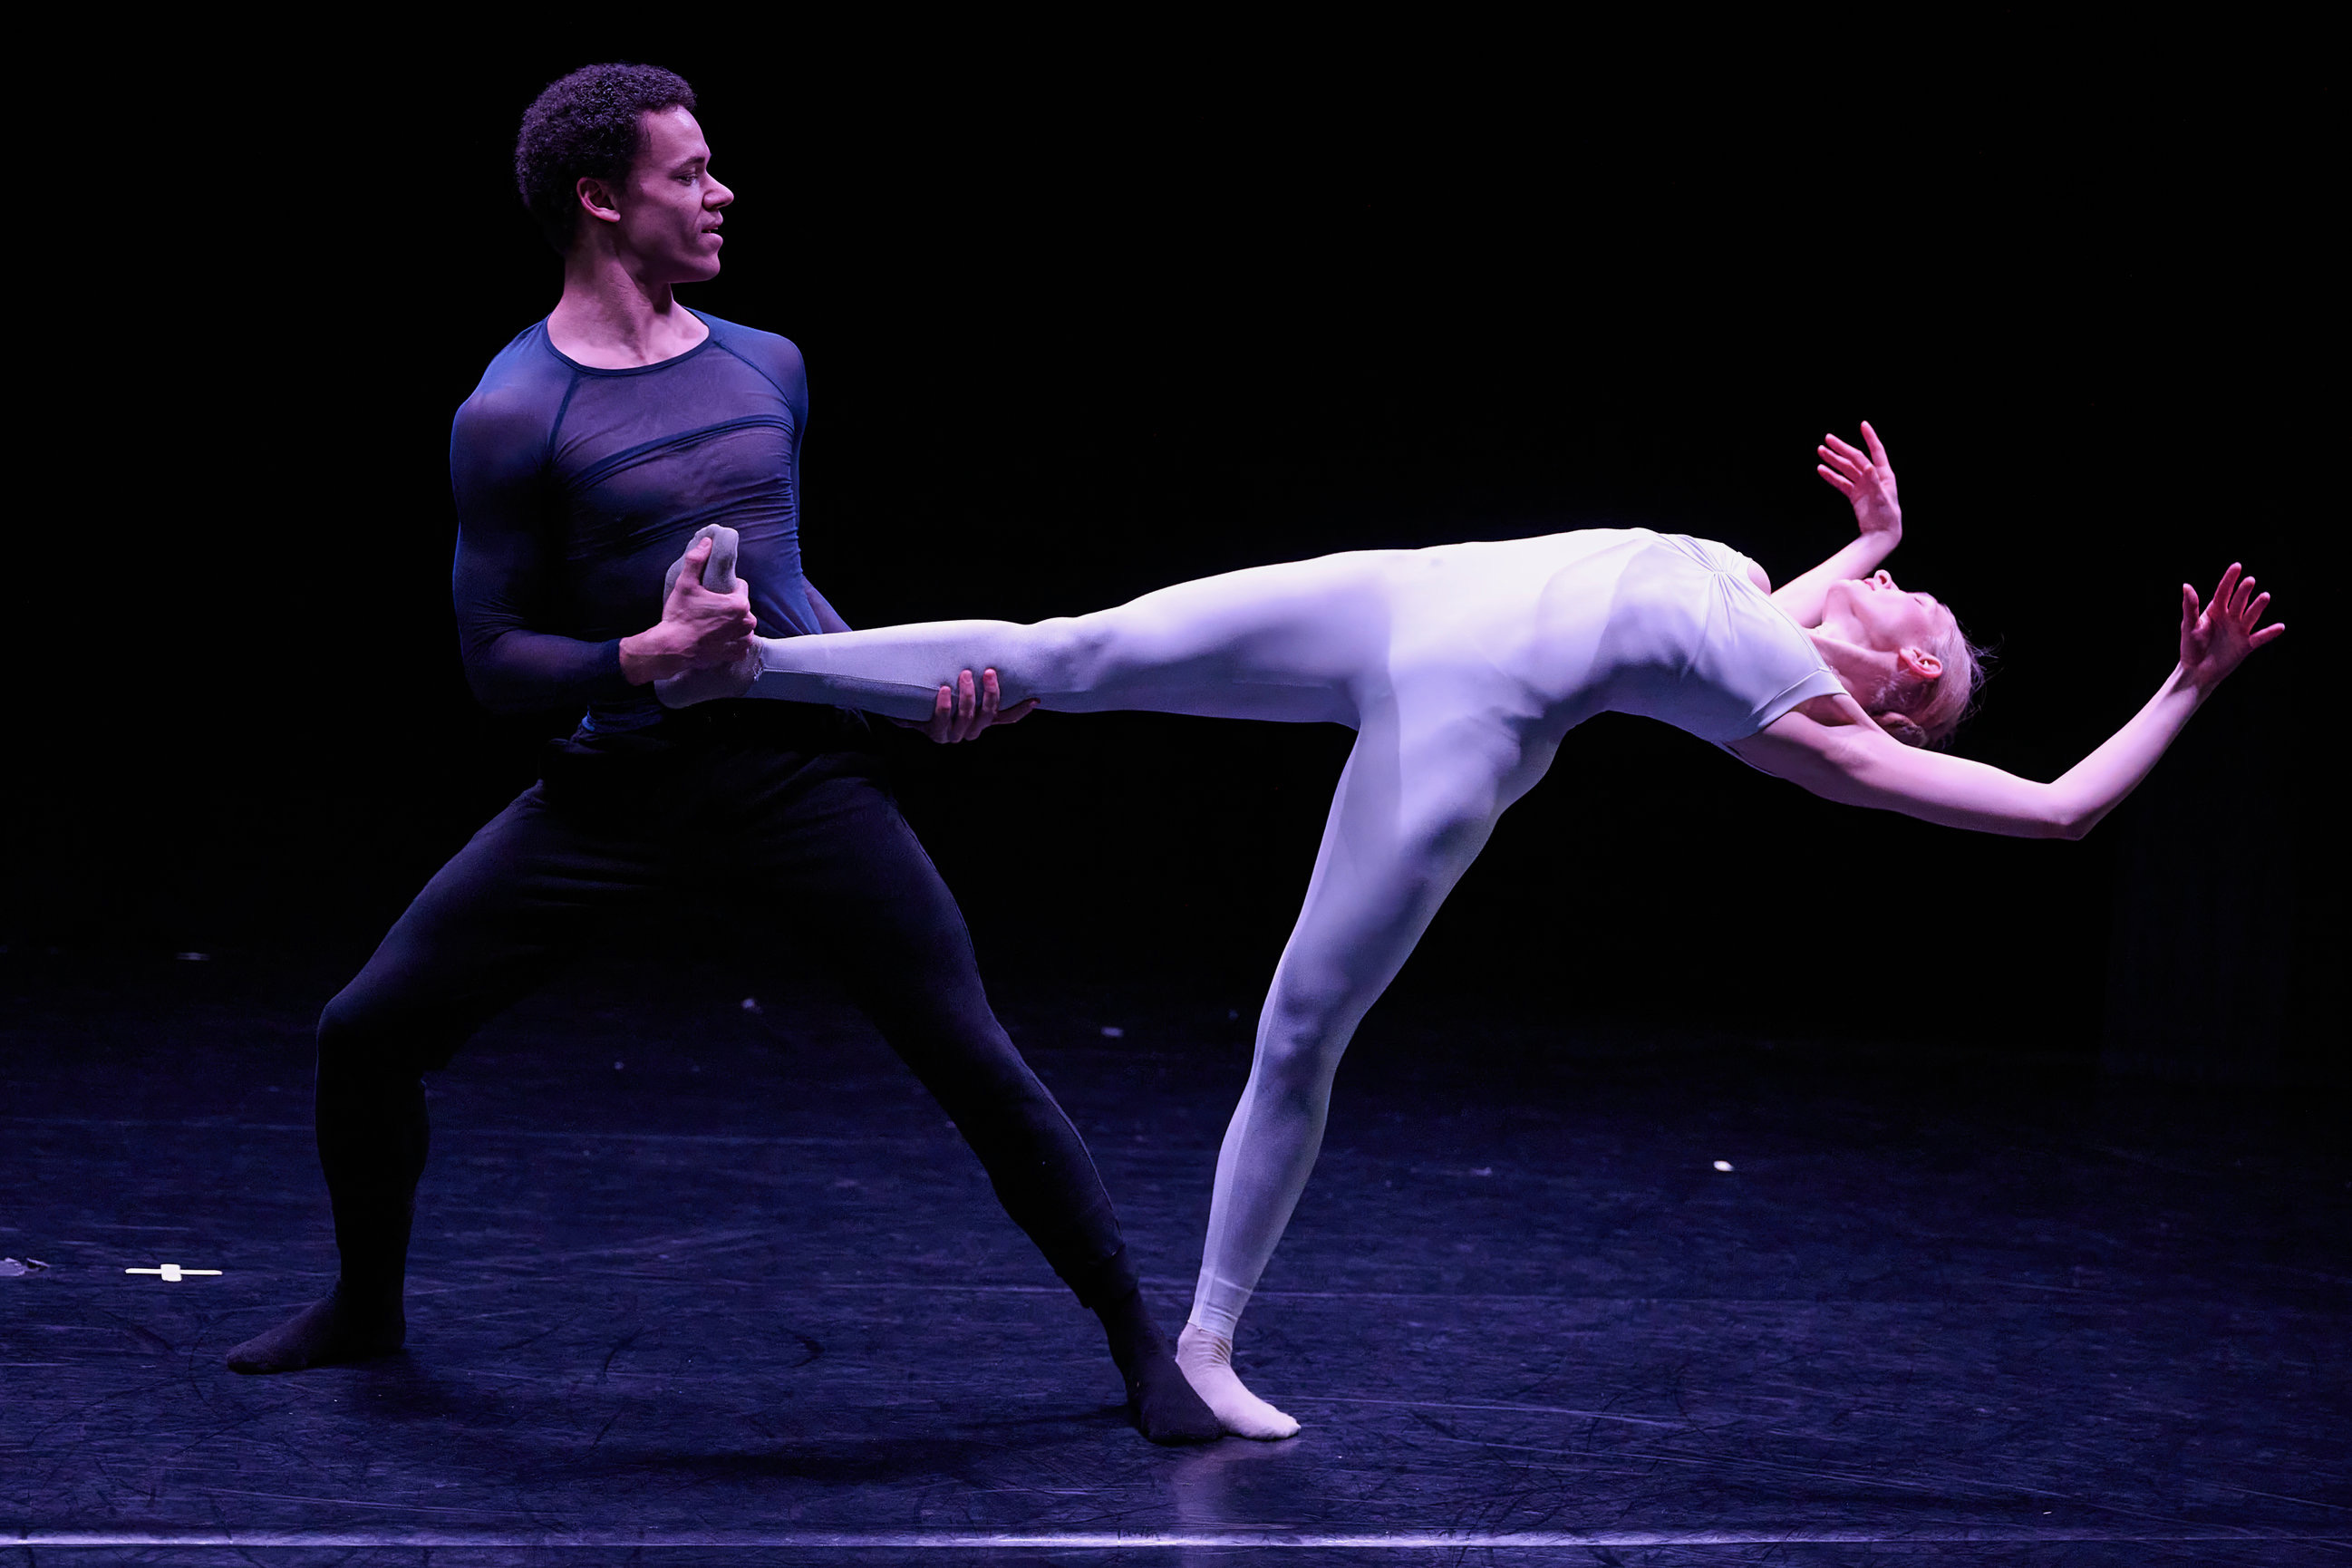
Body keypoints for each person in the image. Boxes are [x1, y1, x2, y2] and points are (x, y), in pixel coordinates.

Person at [655, 423, 2283, 1437]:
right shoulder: (1775, 602)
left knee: (1302, 1022)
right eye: (1899, 588)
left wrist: (2182, 689)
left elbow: (2062, 810)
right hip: (1404, 592)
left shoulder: (1809, 715)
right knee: (1076, 648)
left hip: (1470, 721)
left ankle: (1208, 1340)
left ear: (1903, 683)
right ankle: (744, 668)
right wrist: (1872, 539)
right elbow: (1760, 611)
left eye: (1905, 613)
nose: (1890, 592)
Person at [224, 63, 1221, 1447]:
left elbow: (794, 601)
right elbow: (492, 658)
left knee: (972, 1052)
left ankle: (1139, 1341)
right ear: (601, 197)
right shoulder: (513, 412)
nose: (720, 191)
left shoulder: (770, 365)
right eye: (689, 172)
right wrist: (645, 657)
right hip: (616, 794)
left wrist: (914, 689)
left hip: (796, 782)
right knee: (363, 1035)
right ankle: (367, 1305)